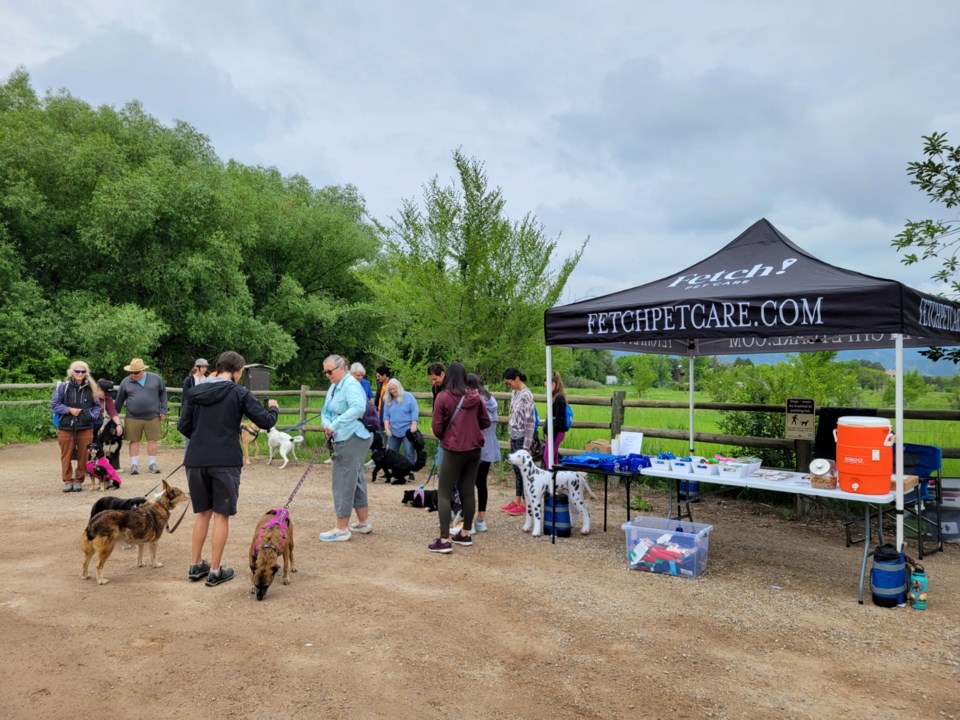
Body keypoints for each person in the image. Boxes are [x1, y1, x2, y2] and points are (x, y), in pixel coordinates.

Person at [178, 351, 279, 586]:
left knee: (202, 512)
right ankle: (214, 570)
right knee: (221, 515)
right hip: (225, 460)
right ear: (236, 371)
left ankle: (195, 565)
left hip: (196, 459)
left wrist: (203, 437)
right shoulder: (239, 392)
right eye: (241, 372)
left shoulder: (196, 391)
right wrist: (273, 407)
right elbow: (265, 421)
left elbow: (184, 425)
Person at [428, 362, 489, 553]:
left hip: (454, 449)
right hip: (474, 449)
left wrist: (447, 435)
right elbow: (485, 422)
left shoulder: (443, 397)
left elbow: (437, 427)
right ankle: (465, 534)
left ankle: (444, 539)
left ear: (447, 376)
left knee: (444, 492)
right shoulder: (475, 397)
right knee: (468, 491)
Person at [320, 353, 374, 542]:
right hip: (343, 435)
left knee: (342, 480)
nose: (327, 375)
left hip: (353, 436)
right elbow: (325, 410)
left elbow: (358, 408)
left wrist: (334, 425)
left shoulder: (351, 384)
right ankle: (363, 521)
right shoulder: (334, 386)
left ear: (341, 368)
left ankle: (341, 529)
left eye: (329, 372)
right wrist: (326, 423)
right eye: (325, 372)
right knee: (355, 476)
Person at [51, 361, 102, 492]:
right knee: (66, 454)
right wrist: (69, 410)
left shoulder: (91, 387)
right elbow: (55, 404)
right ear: (72, 372)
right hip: (66, 426)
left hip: (85, 426)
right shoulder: (63, 387)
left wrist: (91, 416)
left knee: (84, 455)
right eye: (77, 371)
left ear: (86, 373)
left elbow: (97, 406)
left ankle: (79, 480)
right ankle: (67, 480)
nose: (80, 374)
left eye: (83, 371)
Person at [115, 358, 168, 475]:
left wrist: (164, 409)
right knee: (134, 441)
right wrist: (115, 415)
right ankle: (134, 465)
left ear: (143, 370)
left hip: (153, 416)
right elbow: (119, 400)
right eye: (131, 372)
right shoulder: (126, 382)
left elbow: (163, 393)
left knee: (152, 440)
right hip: (132, 417)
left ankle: (152, 464)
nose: (133, 374)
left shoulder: (155, 378)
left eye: (136, 372)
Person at [466, 373, 500, 533]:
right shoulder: (490, 398)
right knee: (482, 483)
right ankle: (481, 520)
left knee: (469, 483)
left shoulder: (475, 399)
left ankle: (469, 522)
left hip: (478, 443)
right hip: (491, 443)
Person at [501, 367, 535, 516]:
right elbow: (512, 415)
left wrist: (527, 445)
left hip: (522, 436)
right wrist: (510, 433)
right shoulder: (514, 393)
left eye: (509, 383)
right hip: (514, 435)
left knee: (523, 470)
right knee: (516, 469)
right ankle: (517, 500)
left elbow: (529, 421)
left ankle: (526, 503)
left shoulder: (527, 395)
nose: (509, 386)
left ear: (516, 378)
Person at [382, 377, 419, 464]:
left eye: (394, 388)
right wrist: (387, 428)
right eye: (390, 389)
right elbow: (386, 416)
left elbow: (414, 410)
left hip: (407, 430)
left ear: (398, 387)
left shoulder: (408, 396)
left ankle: (410, 471)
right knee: (392, 452)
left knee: (409, 452)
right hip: (393, 430)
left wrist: (414, 424)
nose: (392, 391)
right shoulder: (388, 400)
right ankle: (394, 471)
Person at [95, 379, 124, 471]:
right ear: (99, 390)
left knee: (97, 443)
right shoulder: (90, 396)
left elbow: (112, 412)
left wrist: (118, 424)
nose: (107, 396)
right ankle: (87, 466)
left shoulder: (107, 399)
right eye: (105, 393)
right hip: (86, 423)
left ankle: (105, 465)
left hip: (98, 423)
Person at [544, 371, 569, 469]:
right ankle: (557, 479)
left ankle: (551, 479)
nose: (546, 389)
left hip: (556, 432)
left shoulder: (559, 398)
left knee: (547, 457)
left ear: (553, 384)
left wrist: (551, 435)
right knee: (553, 457)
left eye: (546, 386)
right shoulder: (556, 397)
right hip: (554, 432)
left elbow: (559, 420)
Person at [427, 362, 446, 470]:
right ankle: (442, 471)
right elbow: (435, 406)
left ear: (442, 374)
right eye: (432, 380)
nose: (434, 382)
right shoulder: (435, 388)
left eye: (435, 379)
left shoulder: (452, 386)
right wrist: (434, 422)